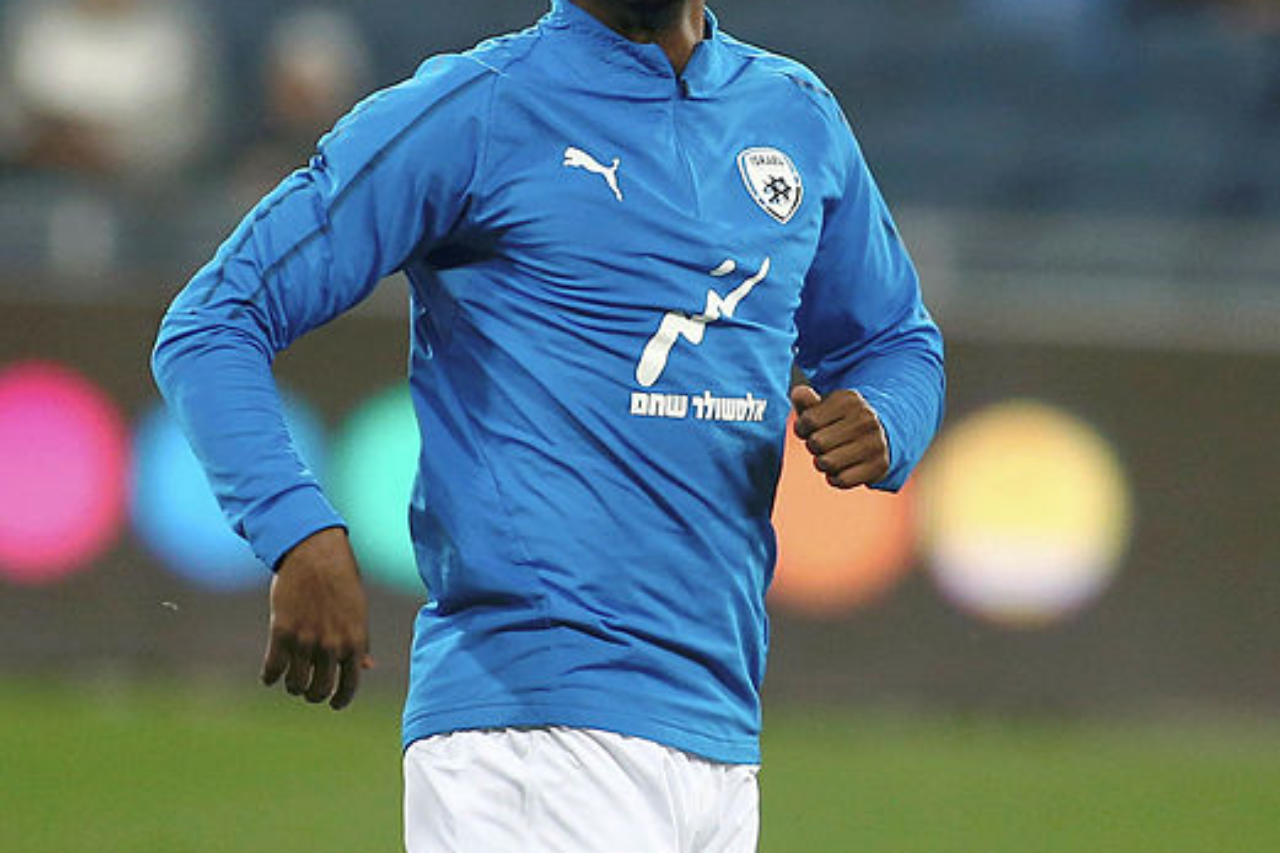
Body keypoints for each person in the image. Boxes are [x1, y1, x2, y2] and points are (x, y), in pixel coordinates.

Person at [151, 0, 946, 849]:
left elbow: (896, 342)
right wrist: (297, 528)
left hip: (718, 731)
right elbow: (216, 320)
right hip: (530, 731)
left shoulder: (794, 114)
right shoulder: (478, 110)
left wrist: (885, 416)